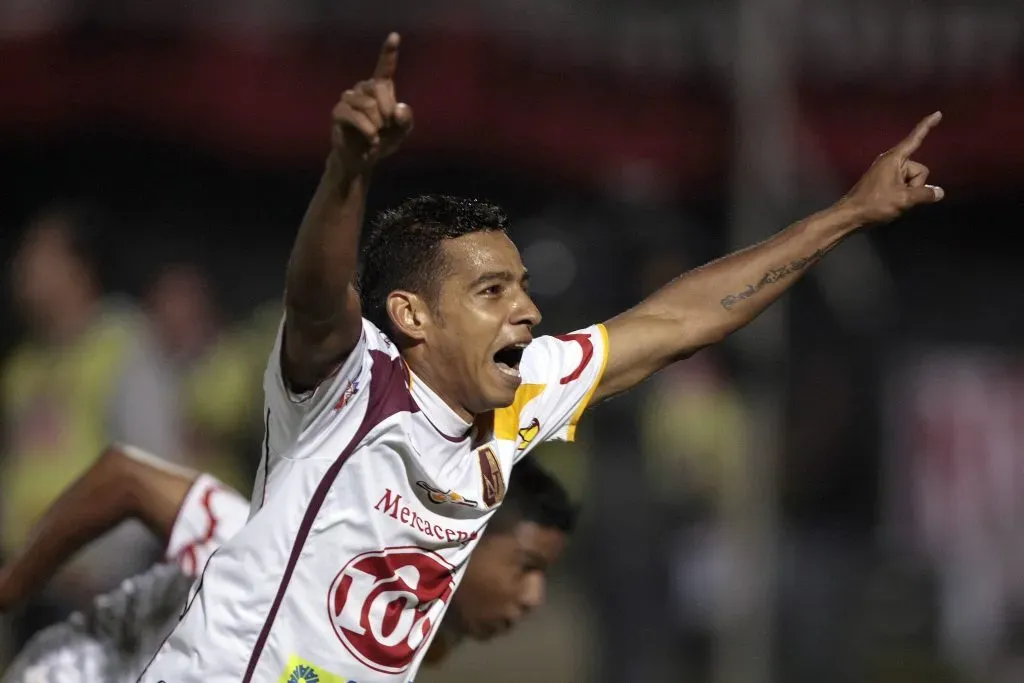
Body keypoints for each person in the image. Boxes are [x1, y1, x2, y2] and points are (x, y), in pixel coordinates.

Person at [141, 32, 944, 683]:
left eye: (522, 287)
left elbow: (681, 318)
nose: (526, 308)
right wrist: (348, 169)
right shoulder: (350, 384)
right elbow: (318, 295)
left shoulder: (519, 397)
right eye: (491, 291)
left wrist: (846, 214)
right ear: (412, 314)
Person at [0, 446, 575, 682]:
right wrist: (9, 590)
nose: (533, 597)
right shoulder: (288, 557)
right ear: (462, 542)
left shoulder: (393, 644)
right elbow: (125, 477)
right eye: (526, 565)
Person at [1, 206, 182, 647]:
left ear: (79, 269)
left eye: (38, 253)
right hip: (29, 585)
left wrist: (105, 564)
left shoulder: (122, 345)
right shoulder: (23, 367)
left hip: (92, 588)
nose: (20, 266)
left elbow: (154, 467)